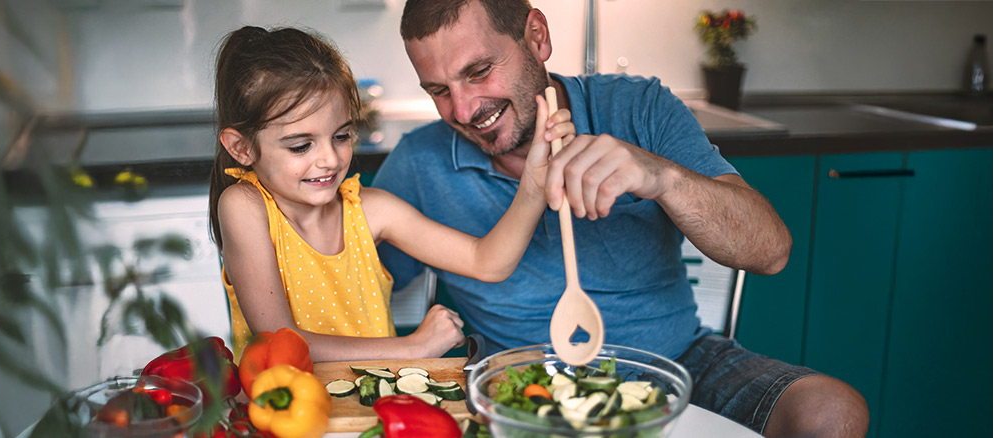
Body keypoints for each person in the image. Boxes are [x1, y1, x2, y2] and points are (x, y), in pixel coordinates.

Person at [372, 1, 870, 436]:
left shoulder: (639, 108)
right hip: (515, 380)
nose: (462, 109)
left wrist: (662, 178)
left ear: (536, 36)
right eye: (438, 90)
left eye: (479, 71)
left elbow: (770, 251)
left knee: (831, 411)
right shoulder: (419, 162)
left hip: (678, 361)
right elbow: (356, 284)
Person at [207, 25, 575, 363]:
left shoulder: (371, 210)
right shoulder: (243, 206)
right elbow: (278, 340)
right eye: (301, 146)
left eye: (340, 136)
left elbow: (487, 262)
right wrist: (414, 347)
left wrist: (534, 183)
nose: (330, 159)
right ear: (241, 148)